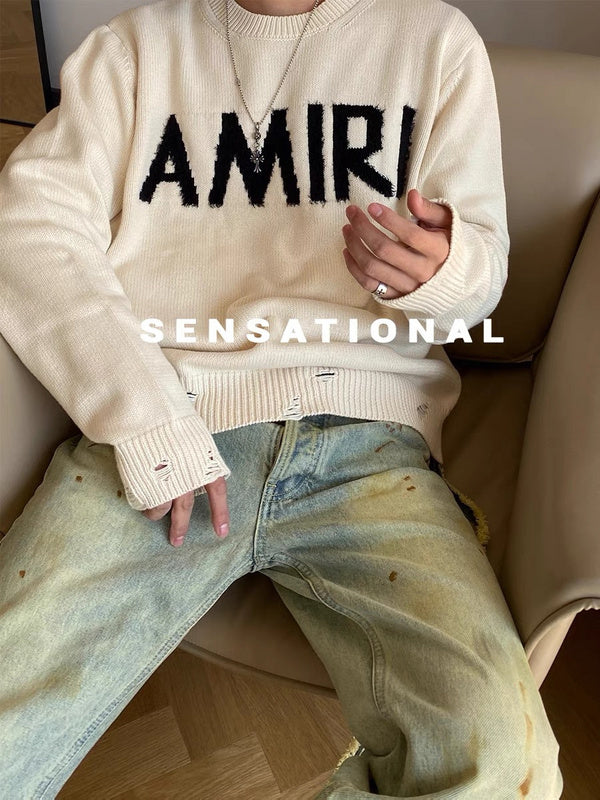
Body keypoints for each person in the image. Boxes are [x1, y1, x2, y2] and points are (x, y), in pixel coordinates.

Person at [0, 0, 562, 797]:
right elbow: (27, 225)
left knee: (500, 763)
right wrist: (146, 417)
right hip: (169, 432)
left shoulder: (435, 41)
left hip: (370, 445)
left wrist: (440, 274)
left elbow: (480, 279)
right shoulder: (130, 52)